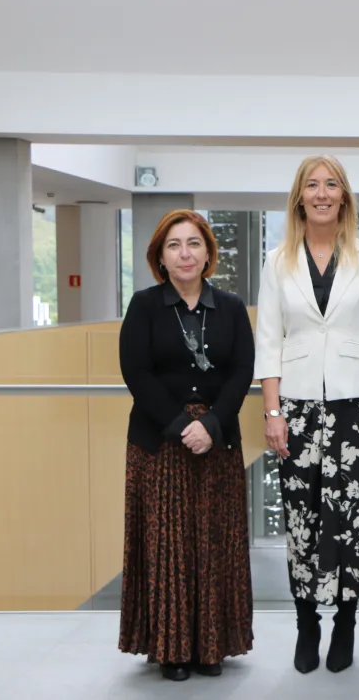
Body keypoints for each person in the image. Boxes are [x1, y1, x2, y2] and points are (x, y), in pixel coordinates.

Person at [254, 155, 359, 675]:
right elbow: (268, 343)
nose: (320, 193)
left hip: (354, 406)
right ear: (299, 197)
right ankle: (307, 624)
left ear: (343, 196)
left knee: (352, 520)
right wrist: (272, 412)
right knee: (302, 519)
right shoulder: (277, 261)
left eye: (330, 184)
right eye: (311, 185)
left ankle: (345, 624)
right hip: (293, 406)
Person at [117, 209, 255, 681]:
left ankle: (212, 646)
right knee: (169, 547)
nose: (185, 253)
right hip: (160, 442)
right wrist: (182, 425)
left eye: (193, 243)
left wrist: (212, 424)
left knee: (215, 544)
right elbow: (137, 373)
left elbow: (242, 372)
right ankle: (173, 648)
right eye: (174, 245)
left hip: (218, 442)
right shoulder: (144, 306)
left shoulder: (232, 307)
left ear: (208, 252)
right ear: (160, 255)